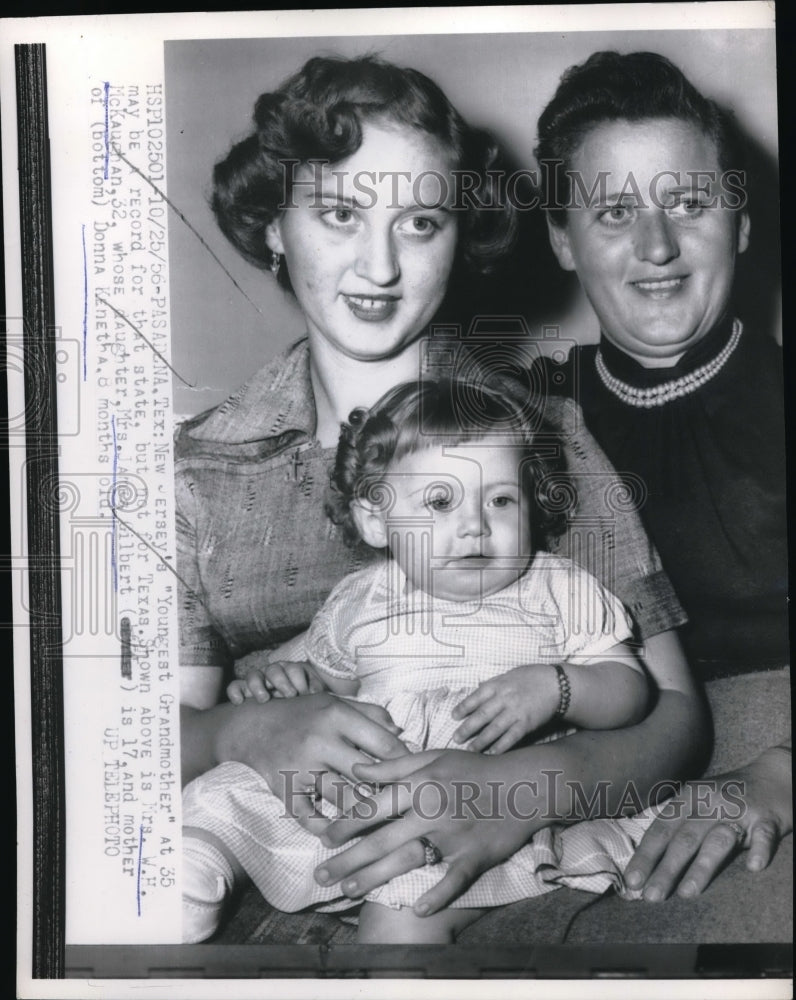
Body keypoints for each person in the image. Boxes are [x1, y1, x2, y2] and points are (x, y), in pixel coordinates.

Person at [178, 54, 705, 940]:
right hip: (264, 854)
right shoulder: (198, 474)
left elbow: (677, 720)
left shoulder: (548, 439)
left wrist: (519, 789)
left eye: (421, 222)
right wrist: (243, 733)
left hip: (491, 862)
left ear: (460, 236)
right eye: (340, 214)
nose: (379, 266)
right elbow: (144, 743)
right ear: (274, 225)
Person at [182, 377, 656, 943]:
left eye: (501, 499)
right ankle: (192, 872)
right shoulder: (362, 597)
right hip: (361, 787)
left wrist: (558, 687)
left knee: (410, 907)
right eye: (440, 500)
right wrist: (287, 684)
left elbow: (632, 691)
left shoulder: (557, 588)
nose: (477, 523)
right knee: (226, 790)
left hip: (476, 807)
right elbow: (327, 680)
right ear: (376, 520)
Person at [531, 50, 791, 914]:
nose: (657, 247)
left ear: (741, 223)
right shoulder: (514, 423)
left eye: (687, 203)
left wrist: (779, 777)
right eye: (614, 213)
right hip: (577, 783)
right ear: (562, 240)